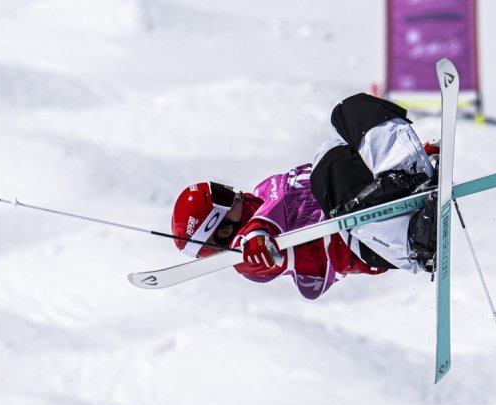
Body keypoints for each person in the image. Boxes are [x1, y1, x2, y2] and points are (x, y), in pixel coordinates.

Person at [170, 93, 440, 300]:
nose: (233, 192)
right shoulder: (248, 256)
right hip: (371, 243)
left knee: (348, 112)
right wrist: (253, 241)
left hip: (374, 197)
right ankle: (414, 242)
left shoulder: (264, 191)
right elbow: (257, 255)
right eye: (222, 196)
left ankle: (411, 169)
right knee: (327, 169)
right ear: (218, 228)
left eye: (222, 187)